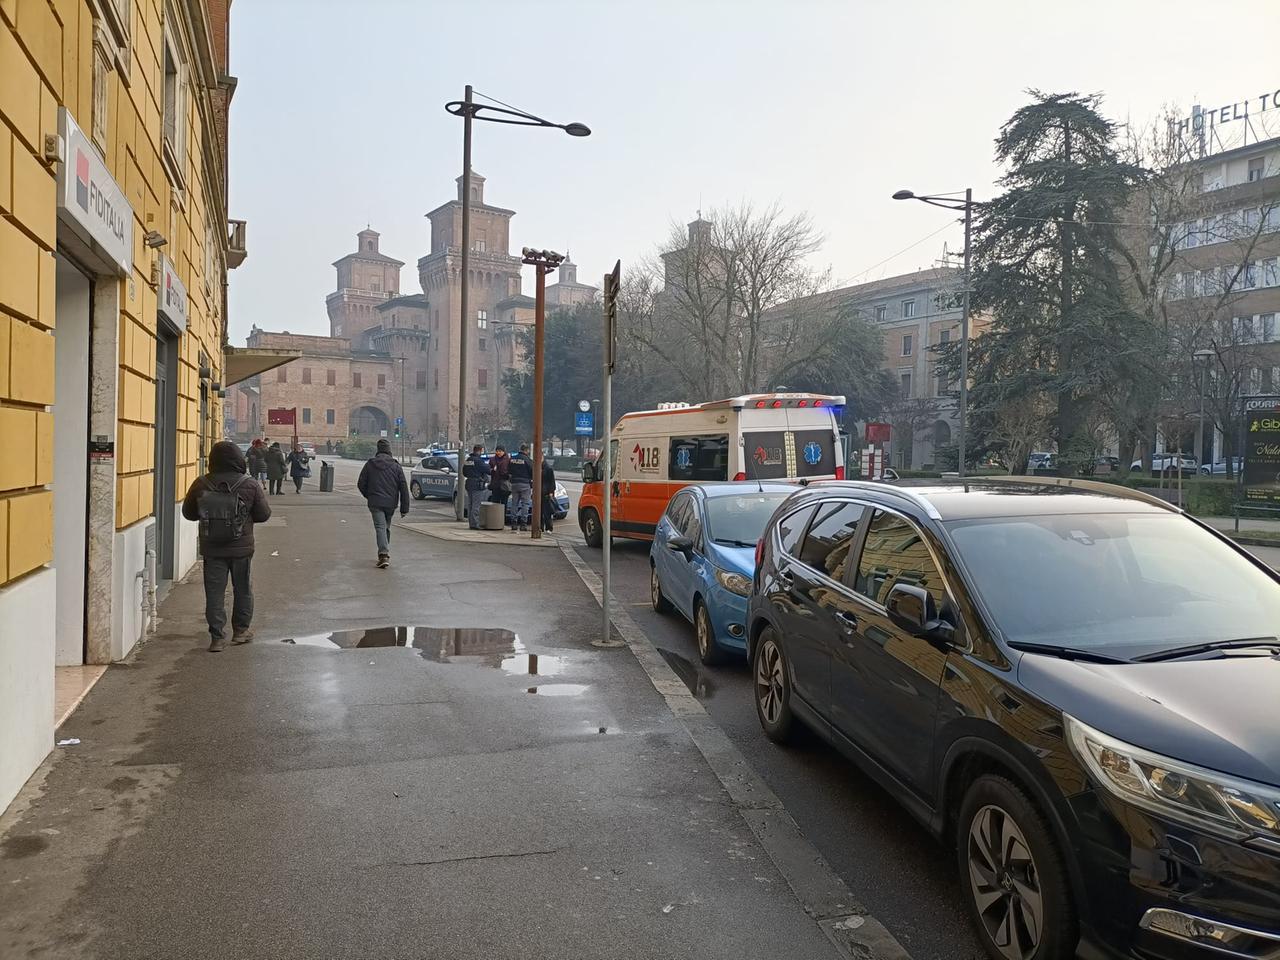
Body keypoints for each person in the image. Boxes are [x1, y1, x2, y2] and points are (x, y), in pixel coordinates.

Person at [181, 440, 271, 652]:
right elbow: (264, 515)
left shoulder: (201, 483)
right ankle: (241, 631)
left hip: (212, 548)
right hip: (241, 548)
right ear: (238, 459)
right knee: (243, 589)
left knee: (214, 592)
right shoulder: (249, 484)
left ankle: (217, 637)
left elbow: (189, 514)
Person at [357, 438, 410, 568]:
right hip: (390, 503)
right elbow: (403, 487)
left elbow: (361, 483)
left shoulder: (370, 464)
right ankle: (384, 552)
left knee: (381, 527)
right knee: (384, 527)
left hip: (375, 502)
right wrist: (404, 508)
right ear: (389, 450)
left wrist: (369, 495)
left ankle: (383, 554)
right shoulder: (396, 466)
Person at [462, 444, 491, 530]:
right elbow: (487, 470)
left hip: (469, 483)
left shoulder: (468, 460)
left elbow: (464, 472)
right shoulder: (478, 461)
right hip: (476, 484)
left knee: (470, 504)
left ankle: (471, 523)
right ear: (480, 450)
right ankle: (475, 524)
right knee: (476, 505)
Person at [507, 443, 534, 532]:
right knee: (525, 504)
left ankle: (513, 523)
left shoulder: (512, 459)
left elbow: (509, 470)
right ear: (527, 450)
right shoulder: (527, 460)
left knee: (514, 504)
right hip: (525, 484)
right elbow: (532, 471)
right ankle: (523, 524)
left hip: (514, 483)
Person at [488, 445, 511, 512]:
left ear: (504, 451)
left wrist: (508, 476)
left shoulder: (508, 459)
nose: (498, 452)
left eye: (500, 451)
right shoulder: (492, 459)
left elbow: (511, 471)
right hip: (495, 484)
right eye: (497, 451)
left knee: (504, 504)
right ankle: (495, 519)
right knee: (495, 503)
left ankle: (502, 519)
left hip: (505, 485)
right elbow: (489, 470)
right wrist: (492, 470)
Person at [540, 456, 557, 533]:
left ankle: (548, 528)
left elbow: (552, 481)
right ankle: (541, 527)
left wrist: (551, 492)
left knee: (547, 512)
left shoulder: (548, 468)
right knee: (540, 512)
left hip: (546, 492)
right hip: (541, 492)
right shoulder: (539, 467)